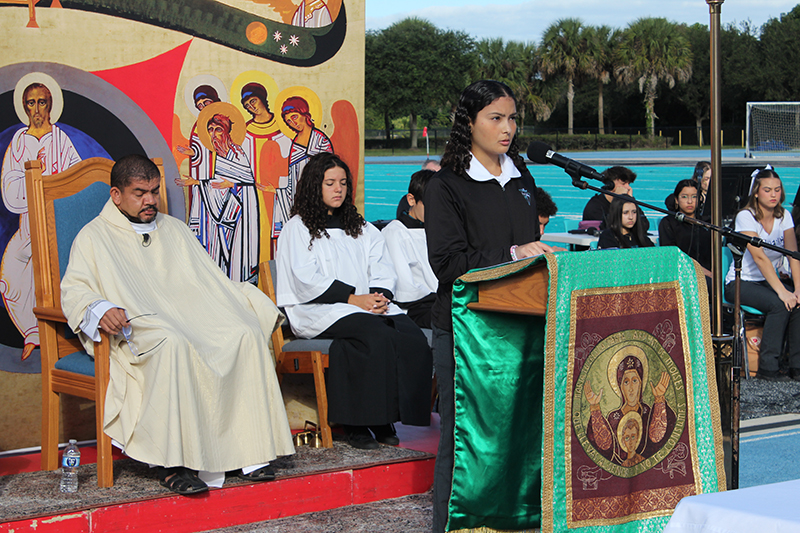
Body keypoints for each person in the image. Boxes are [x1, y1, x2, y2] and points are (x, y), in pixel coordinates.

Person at [61, 155, 294, 495]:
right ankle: (173, 464)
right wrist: (99, 307)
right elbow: (75, 289)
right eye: (140, 193)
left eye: (154, 191)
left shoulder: (175, 229)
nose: (150, 201)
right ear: (116, 195)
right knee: (172, 343)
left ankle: (250, 452)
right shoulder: (94, 237)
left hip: (192, 317)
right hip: (140, 327)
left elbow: (208, 281)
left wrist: (240, 299)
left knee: (244, 332)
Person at [424, 80, 554, 533]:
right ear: (469, 123)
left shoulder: (520, 177)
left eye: (513, 118)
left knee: (522, 437)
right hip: (466, 332)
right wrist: (516, 254)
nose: (508, 128)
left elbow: (526, 247)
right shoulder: (446, 186)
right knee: (466, 445)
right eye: (495, 118)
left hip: (523, 325)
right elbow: (447, 264)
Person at [276, 152, 432, 450]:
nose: (338, 189)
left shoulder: (359, 226)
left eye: (343, 183)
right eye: (330, 183)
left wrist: (379, 296)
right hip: (319, 309)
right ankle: (360, 424)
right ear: (314, 186)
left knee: (410, 336)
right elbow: (304, 277)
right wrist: (352, 298)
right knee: (376, 334)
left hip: (362, 305)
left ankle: (386, 416)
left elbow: (381, 265)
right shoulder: (299, 227)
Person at [2, 80, 82, 360]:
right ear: (24, 107)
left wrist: (50, 180)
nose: (37, 108)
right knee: (11, 278)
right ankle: (31, 332)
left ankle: (64, 338)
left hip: (57, 222)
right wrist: (32, 179)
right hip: (28, 225)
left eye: (42, 102)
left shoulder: (61, 139)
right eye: (31, 102)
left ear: (51, 105)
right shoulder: (19, 142)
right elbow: (9, 187)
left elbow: (77, 178)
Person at [724, 167, 800, 382]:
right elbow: (760, 258)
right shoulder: (745, 217)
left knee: (797, 302)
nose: (773, 194)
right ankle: (768, 368)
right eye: (767, 190)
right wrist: (783, 293)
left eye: (777, 190)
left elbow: (793, 254)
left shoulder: (784, 216)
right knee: (780, 304)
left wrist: (798, 290)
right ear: (756, 192)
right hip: (741, 282)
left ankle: (796, 365)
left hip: (767, 281)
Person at [584, 347, 676, 467]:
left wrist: (659, 399)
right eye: (626, 382)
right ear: (620, 387)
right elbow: (605, 449)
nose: (631, 389)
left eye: (635, 381)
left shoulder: (648, 412)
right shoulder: (613, 417)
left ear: (641, 383)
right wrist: (595, 407)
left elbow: (658, 441)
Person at [381, 169, 437, 328]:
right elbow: (405, 288)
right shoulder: (394, 233)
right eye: (430, 204)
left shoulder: (441, 230)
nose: (437, 211)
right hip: (415, 308)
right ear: (411, 200)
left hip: (442, 301)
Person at [279, 96, 334, 235]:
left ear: (304, 113)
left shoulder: (319, 140)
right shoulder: (294, 144)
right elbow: (292, 174)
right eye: (289, 121)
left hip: (317, 198)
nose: (293, 123)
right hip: (298, 199)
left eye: (294, 117)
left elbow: (331, 171)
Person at [659, 179, 712, 278]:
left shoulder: (707, 222)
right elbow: (672, 255)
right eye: (684, 197)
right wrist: (704, 272)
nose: (690, 201)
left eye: (694, 197)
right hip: (682, 275)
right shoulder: (668, 223)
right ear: (676, 200)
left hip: (710, 274)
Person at [582, 166, 649, 231]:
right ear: (610, 185)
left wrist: (631, 201)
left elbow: (644, 225)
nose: (628, 188)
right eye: (623, 184)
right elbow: (610, 228)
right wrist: (620, 199)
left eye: (628, 184)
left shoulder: (628, 202)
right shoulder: (595, 206)